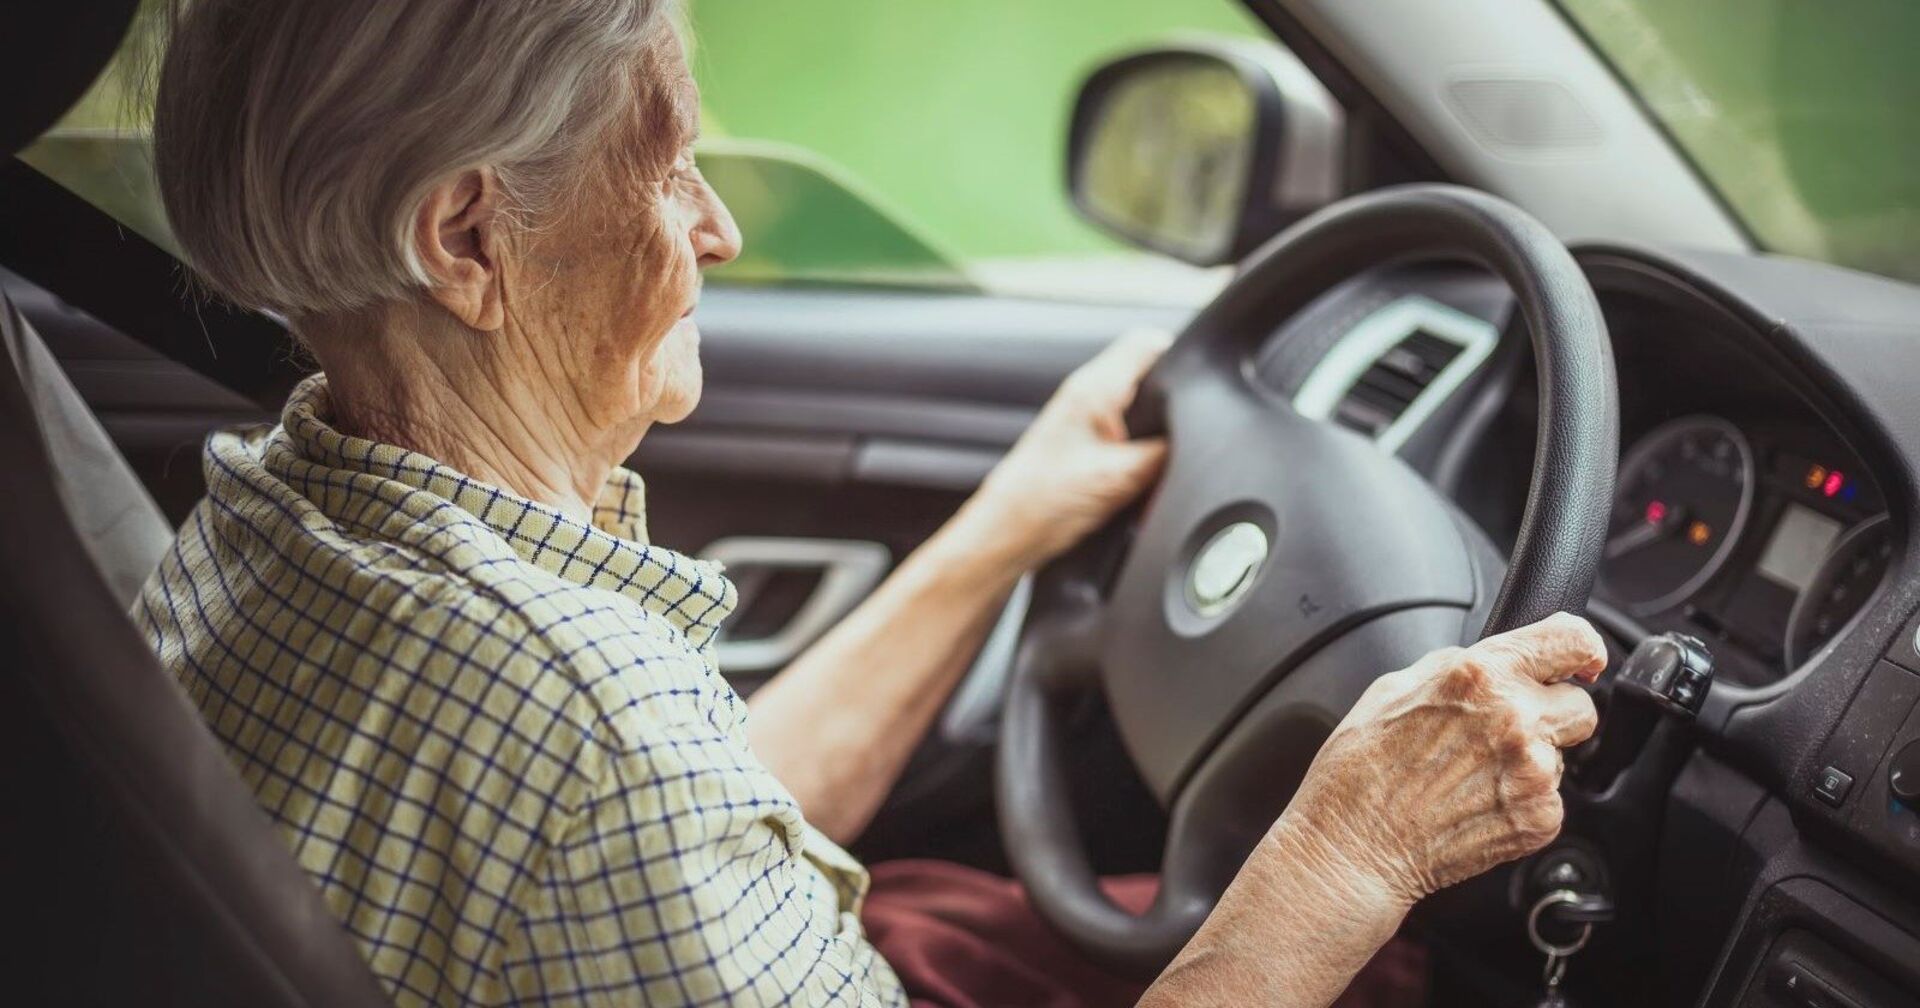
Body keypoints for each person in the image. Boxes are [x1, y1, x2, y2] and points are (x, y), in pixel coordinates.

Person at [134, 1, 1603, 1005]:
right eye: (667, 168)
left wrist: (1008, 526)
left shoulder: (263, 518)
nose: (717, 227)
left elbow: (682, 823)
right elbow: (625, 792)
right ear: (468, 242)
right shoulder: (592, 731)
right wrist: (1354, 850)